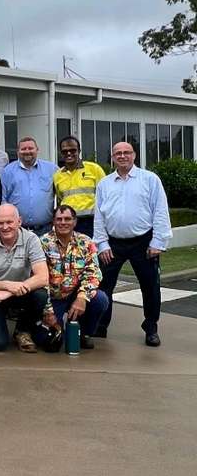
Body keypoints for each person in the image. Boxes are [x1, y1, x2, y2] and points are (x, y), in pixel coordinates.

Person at [93, 141, 172, 346]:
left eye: (126, 152)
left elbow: (160, 211)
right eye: (117, 153)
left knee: (150, 286)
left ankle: (151, 326)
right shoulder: (105, 184)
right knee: (103, 287)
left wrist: (157, 242)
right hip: (113, 244)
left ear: (134, 155)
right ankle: (101, 325)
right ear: (112, 157)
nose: (122, 156)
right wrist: (102, 244)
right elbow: (99, 217)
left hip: (144, 243)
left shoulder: (150, 179)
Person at [0, 204, 49, 352]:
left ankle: (22, 331)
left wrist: (10, 291)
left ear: (19, 221)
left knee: (40, 295)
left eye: (10, 222)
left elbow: (43, 277)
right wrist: (6, 285)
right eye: (0, 223)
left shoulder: (31, 239)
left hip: (19, 292)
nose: (5, 227)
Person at [39, 205, 109, 350]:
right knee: (46, 341)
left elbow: (93, 273)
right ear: (53, 221)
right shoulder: (43, 243)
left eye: (67, 219)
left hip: (75, 294)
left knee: (100, 299)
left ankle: (83, 333)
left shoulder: (86, 242)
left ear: (75, 222)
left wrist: (82, 297)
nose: (63, 222)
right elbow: (39, 280)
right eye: (59, 219)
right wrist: (48, 310)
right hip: (52, 298)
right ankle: (60, 329)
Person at [1, 136, 56, 235]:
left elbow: (61, 194)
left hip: (46, 230)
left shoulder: (52, 169)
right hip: (18, 230)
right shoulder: (7, 172)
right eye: (23, 149)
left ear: (37, 150)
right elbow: (3, 200)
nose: (27, 151)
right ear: (18, 151)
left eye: (30, 148)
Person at [53, 135, 105, 237]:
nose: (69, 153)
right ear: (60, 153)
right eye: (65, 151)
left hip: (91, 222)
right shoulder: (57, 175)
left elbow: (106, 195)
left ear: (79, 151)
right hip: (68, 223)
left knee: (91, 252)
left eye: (73, 150)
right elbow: (60, 199)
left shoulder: (94, 169)